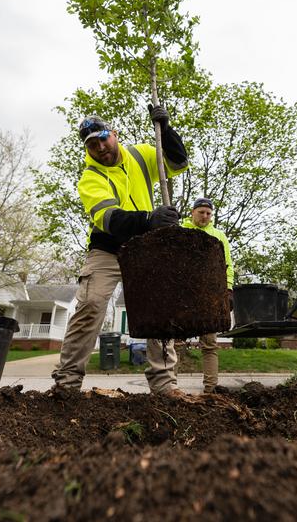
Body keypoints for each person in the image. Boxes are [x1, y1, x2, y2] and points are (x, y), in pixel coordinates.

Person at [52, 105, 188, 394]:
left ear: (114, 134)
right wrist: (149, 219)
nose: (101, 147)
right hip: (107, 249)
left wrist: (167, 130)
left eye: (103, 138)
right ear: (87, 148)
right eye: (92, 144)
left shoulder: (139, 155)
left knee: (159, 311)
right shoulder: (90, 178)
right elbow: (109, 219)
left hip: (146, 249)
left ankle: (164, 385)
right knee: (90, 305)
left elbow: (177, 164)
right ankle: (67, 383)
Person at [180, 197, 233, 393]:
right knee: (175, 342)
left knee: (210, 344)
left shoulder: (219, 236)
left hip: (209, 296)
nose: (205, 216)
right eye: (201, 212)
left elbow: (228, 265)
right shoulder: (181, 232)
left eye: (209, 213)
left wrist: (228, 290)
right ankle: (169, 389)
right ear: (192, 212)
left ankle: (210, 390)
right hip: (183, 296)